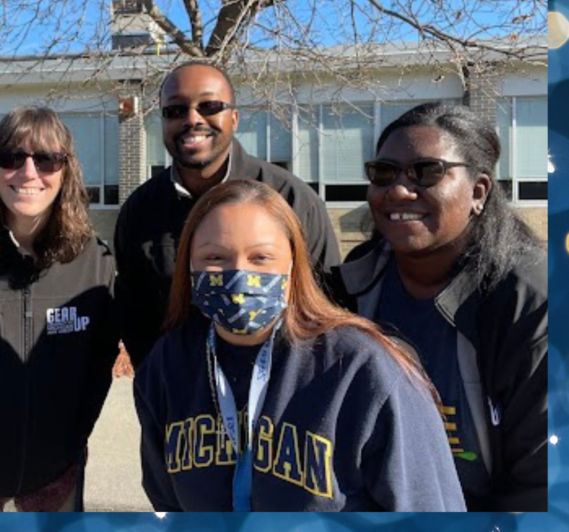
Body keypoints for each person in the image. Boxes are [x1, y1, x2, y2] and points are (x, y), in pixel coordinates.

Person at [134, 179, 466, 512]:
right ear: (189, 265)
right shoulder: (167, 367)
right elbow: (170, 506)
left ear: (292, 265)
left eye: (261, 257)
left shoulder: (361, 367)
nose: (238, 275)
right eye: (215, 257)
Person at [330, 102, 547, 511]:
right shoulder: (349, 289)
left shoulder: (531, 302)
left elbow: (542, 485)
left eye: (426, 172)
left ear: (478, 192)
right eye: (383, 172)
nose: (397, 189)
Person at [0, 106, 118, 512]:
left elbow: (97, 367)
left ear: (66, 170)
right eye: (12, 158)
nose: (29, 173)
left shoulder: (94, 263)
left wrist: (70, 443)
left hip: (55, 478)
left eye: (46, 159)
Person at [116, 61, 340, 368]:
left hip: (282, 396)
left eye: (209, 106)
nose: (192, 119)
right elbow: (135, 315)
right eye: (175, 110)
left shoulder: (292, 200)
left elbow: (327, 306)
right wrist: (160, 390)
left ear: (234, 118)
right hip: (185, 401)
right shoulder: (140, 210)